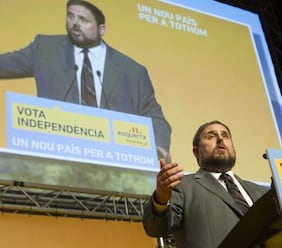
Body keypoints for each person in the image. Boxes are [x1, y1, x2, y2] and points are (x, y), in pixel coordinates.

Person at [0, 0, 171, 159]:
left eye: (83, 19)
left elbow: (153, 114)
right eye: (71, 16)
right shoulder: (44, 49)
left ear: (101, 29)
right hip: (56, 156)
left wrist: (158, 148)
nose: (74, 23)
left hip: (114, 162)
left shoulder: (132, 71)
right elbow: (5, 65)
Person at [143, 120, 269, 248]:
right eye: (211, 136)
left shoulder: (261, 192)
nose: (220, 139)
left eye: (225, 136)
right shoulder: (182, 186)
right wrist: (161, 199)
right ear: (196, 152)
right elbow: (156, 228)